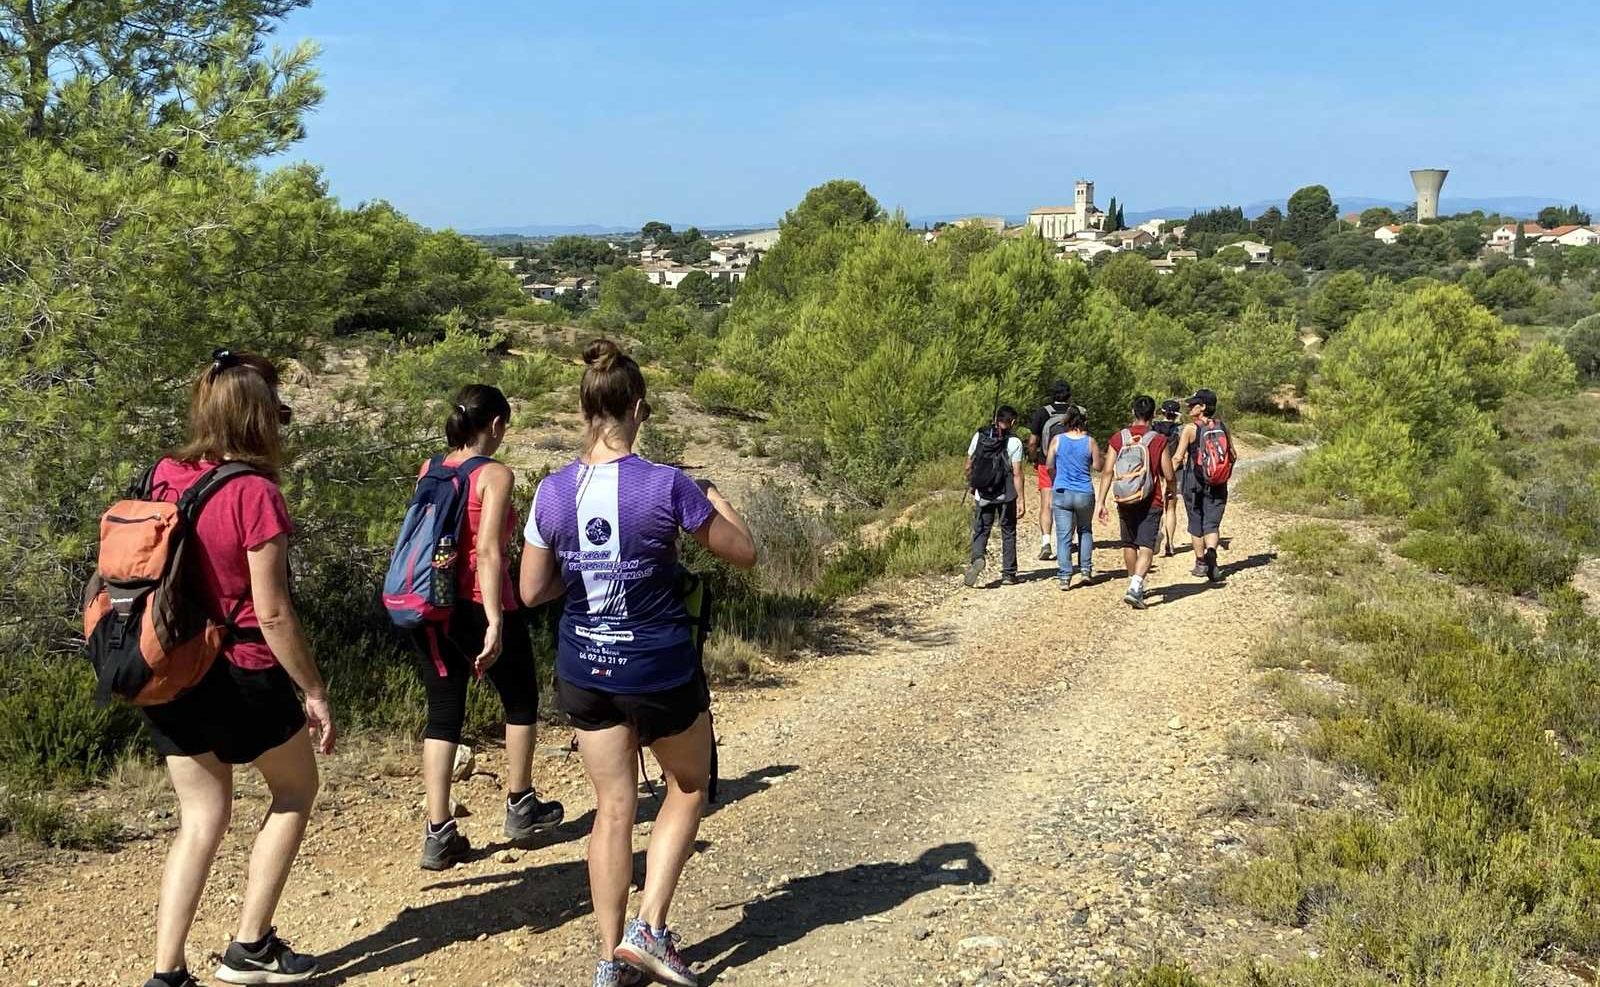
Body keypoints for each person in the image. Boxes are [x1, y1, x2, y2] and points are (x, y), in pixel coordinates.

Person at [519, 339, 757, 987]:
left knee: (612, 806)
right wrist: (714, 495)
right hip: (659, 669)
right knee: (688, 783)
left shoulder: (552, 491)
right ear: (639, 408)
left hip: (585, 669)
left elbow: (530, 590)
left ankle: (608, 956)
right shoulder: (669, 484)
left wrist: (585, 570)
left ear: (585, 409)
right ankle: (647, 927)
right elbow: (743, 551)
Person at [139, 351, 336, 987]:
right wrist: (314, 690)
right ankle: (251, 947)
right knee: (295, 791)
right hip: (242, 672)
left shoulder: (163, 475)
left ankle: (167, 972)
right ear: (260, 421)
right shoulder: (255, 494)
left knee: (200, 818)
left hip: (169, 668)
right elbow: (273, 615)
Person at [410, 384, 564, 871]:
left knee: (444, 710)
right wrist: (497, 619)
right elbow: (491, 551)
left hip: (433, 605)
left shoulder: (431, 468)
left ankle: (439, 831)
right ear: (495, 424)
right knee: (520, 698)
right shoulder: (495, 474)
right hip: (480, 602)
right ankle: (520, 804)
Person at [1097, 395, 1175, 610]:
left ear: (1133, 413)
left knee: (1129, 543)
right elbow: (1168, 473)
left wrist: (1101, 502)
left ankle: (1133, 581)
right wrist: (1172, 491)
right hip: (1151, 500)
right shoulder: (1158, 440)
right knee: (1147, 545)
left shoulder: (1118, 438)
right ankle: (1136, 585)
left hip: (1124, 498)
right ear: (1153, 415)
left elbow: (1107, 471)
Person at [1168, 387, 1236, 583]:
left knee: (1195, 521)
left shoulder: (1191, 429)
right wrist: (1222, 474)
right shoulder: (1222, 426)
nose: (1189, 406)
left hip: (1193, 481)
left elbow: (1178, 458)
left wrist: (1169, 481)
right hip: (1218, 483)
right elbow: (1233, 455)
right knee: (1212, 523)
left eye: (1193, 404)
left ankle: (1200, 562)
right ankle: (1212, 551)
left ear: (1203, 407)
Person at [964, 405, 1027, 588]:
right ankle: (1009, 574)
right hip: (1006, 494)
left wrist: (973, 484)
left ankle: (977, 558)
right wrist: (1021, 498)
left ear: (995, 418)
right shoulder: (1014, 442)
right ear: (1012, 422)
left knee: (982, 529)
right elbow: (1017, 472)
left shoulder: (980, 435)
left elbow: (968, 465)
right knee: (1008, 531)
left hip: (983, 491)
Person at [1046, 405, 1101, 590]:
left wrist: (1056, 479)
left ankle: (1065, 576)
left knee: (1063, 536)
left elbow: (1049, 465)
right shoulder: (1090, 442)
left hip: (1062, 491)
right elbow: (1098, 466)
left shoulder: (1057, 440)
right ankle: (1085, 570)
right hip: (1084, 492)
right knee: (1085, 530)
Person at [1025, 381, 1074, 561]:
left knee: (1046, 503)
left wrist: (1035, 459)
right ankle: (1067, 541)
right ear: (1069, 395)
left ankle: (1046, 542)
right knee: (1070, 502)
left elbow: (1032, 442)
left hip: (1046, 462)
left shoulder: (1042, 413)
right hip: (1070, 464)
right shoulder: (1075, 412)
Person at [1151, 399, 1185, 558]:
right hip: (1174, 471)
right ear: (1177, 415)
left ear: (1162, 412)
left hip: (1155, 470)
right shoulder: (1181, 430)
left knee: (1155, 505)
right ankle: (1170, 543)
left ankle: (1156, 533)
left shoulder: (1153, 429)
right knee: (1171, 508)